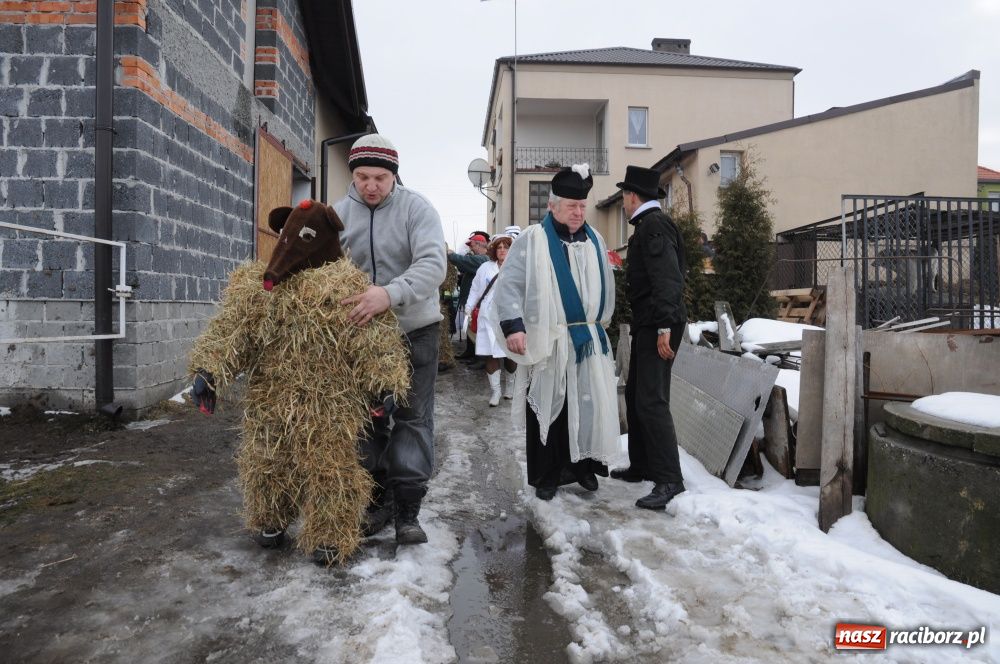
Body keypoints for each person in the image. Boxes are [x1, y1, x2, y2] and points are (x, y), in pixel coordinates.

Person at [333, 134, 446, 550]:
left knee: (413, 419)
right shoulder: (339, 215)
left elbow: (433, 265)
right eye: (363, 177)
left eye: (380, 177)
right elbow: (323, 270)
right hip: (361, 336)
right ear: (353, 175)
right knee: (368, 420)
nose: (371, 186)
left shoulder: (417, 209)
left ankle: (409, 510)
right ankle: (376, 501)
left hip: (415, 331)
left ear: (394, 175)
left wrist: (389, 293)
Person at [491, 164, 619, 501]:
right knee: (550, 407)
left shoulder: (595, 239)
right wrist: (514, 327)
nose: (578, 212)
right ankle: (547, 475)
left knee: (587, 403)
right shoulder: (533, 240)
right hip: (549, 339)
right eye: (570, 206)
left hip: (587, 340)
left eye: (582, 206)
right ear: (552, 206)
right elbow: (509, 286)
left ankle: (585, 467)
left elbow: (606, 284)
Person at [611, 165, 687, 510]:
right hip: (649, 321)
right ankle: (641, 465)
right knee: (640, 395)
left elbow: (668, 280)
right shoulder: (648, 225)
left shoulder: (654, 226)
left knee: (652, 400)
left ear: (631, 196)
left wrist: (664, 328)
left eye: (624, 197)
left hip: (659, 323)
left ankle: (670, 479)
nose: (623, 204)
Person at [466, 235, 517, 406]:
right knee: (489, 353)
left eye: (506, 247)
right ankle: (496, 391)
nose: (502, 250)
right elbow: (475, 289)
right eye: (499, 247)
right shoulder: (485, 268)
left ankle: (510, 387)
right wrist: (469, 307)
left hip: (510, 316)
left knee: (510, 354)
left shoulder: (518, 267)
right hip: (487, 317)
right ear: (494, 250)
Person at [448, 232, 490, 363]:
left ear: (478, 245)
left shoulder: (483, 259)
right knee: (471, 329)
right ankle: (471, 352)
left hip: (477, 302)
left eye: (471, 246)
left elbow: (463, 262)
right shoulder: (477, 258)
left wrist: (450, 255)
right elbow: (462, 265)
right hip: (471, 301)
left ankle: (481, 358)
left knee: (477, 330)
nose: (470, 248)